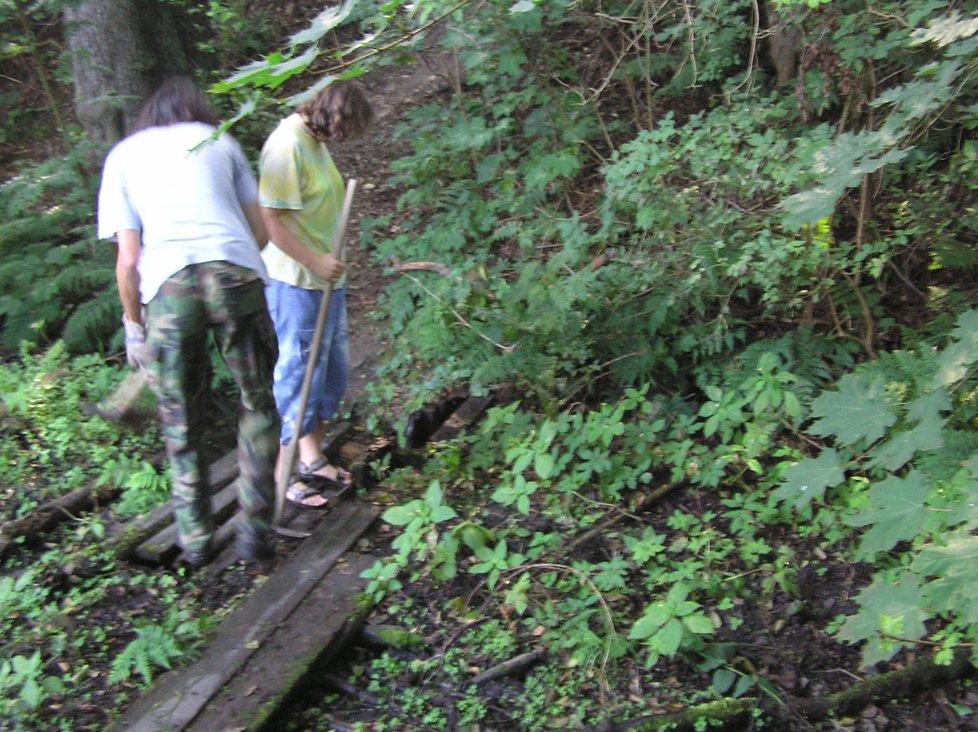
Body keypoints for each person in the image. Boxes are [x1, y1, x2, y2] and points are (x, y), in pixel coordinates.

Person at [97, 77, 281, 566]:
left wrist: (134, 325)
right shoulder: (220, 140)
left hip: (168, 288)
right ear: (198, 110)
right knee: (258, 402)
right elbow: (260, 229)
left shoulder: (124, 155)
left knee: (181, 422)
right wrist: (233, 265)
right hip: (234, 272)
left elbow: (129, 260)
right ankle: (255, 532)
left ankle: (197, 542)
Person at [259, 81, 373, 508]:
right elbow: (271, 220)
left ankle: (312, 459)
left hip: (326, 280)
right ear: (333, 116)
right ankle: (284, 475)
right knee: (298, 376)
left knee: (329, 375)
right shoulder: (285, 146)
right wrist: (314, 259)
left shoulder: (314, 140)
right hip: (297, 282)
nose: (346, 137)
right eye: (348, 127)